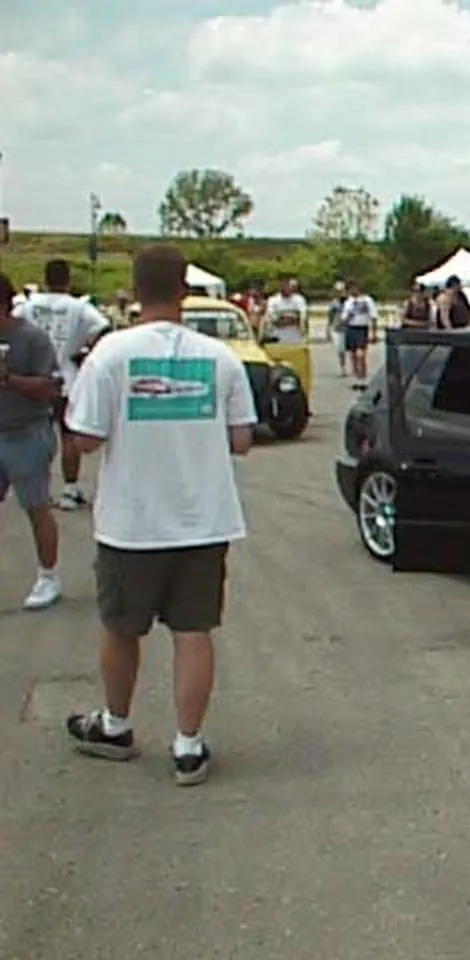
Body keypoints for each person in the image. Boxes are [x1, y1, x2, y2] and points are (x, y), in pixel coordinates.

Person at [62, 245, 257, 786]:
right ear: (184, 290)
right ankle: (188, 746)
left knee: (121, 628)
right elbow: (242, 440)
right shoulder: (220, 358)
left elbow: (87, 438)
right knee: (194, 631)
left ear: (134, 290)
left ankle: (116, 725)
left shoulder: (110, 354)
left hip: (132, 524)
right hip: (203, 520)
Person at [15, 259, 110, 510]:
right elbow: (103, 329)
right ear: (68, 280)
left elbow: (12, 325)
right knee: (69, 436)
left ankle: (39, 489)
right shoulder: (78, 307)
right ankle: (69, 490)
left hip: (34, 378)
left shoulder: (29, 306)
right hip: (66, 377)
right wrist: (86, 352)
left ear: (45, 279)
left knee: (35, 435)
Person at [0, 272, 64, 610]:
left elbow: (50, 388)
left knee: (36, 506)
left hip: (26, 432)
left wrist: (9, 379)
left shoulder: (32, 339)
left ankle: (48, 576)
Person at [340, 280, 377, 385]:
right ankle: (356, 373)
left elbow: (373, 316)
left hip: (362, 328)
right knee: (353, 354)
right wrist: (347, 318)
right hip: (351, 328)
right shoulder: (348, 302)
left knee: (360, 353)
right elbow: (343, 318)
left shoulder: (367, 300)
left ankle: (362, 373)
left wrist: (374, 333)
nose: (353, 290)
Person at [264, 278, 308, 344]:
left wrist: (293, 320)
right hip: (277, 332)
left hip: (295, 332)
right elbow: (271, 315)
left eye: (288, 286)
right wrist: (282, 320)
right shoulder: (273, 300)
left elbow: (303, 315)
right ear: (280, 288)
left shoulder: (299, 299)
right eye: (284, 286)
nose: (287, 288)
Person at [327, 282, 348, 376]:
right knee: (341, 350)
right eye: (338, 291)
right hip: (338, 328)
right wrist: (328, 329)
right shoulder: (334, 303)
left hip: (350, 327)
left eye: (341, 290)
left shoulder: (350, 301)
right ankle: (343, 368)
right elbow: (330, 317)